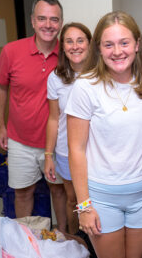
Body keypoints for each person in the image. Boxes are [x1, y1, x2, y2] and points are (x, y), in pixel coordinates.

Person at [65, 11, 142, 258]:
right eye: (108, 44)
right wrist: (84, 206)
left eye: (124, 43)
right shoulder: (86, 87)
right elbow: (76, 150)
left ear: (137, 45)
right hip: (102, 197)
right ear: (98, 48)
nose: (117, 51)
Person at [0, 0, 67, 230]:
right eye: (42, 18)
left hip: (57, 142)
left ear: (61, 23)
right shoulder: (11, 51)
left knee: (59, 191)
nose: (48, 24)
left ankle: (64, 238)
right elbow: (0, 86)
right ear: (33, 21)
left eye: (54, 19)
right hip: (20, 140)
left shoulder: (69, 53)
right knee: (23, 193)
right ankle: (24, 242)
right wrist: (0, 125)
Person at [44, 22, 91, 234]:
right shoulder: (55, 77)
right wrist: (48, 155)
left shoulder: (101, 74)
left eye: (80, 40)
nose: (75, 46)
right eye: (69, 41)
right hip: (66, 151)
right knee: (74, 201)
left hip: (97, 151)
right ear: (62, 47)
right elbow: (54, 118)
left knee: (97, 201)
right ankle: (76, 243)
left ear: (90, 44)